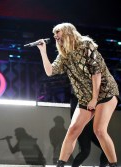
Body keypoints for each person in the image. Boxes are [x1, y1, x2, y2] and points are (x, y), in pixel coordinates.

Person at [36, 23, 119, 167]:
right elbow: (50, 71)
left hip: (105, 92)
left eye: (58, 32)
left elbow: (96, 72)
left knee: (99, 130)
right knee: (73, 130)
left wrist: (94, 98)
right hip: (85, 96)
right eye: (54, 33)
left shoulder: (86, 45)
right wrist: (43, 51)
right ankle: (60, 165)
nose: (55, 36)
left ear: (68, 32)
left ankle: (113, 165)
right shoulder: (64, 54)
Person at [70, 92, 108, 167]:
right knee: (85, 152)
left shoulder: (94, 97)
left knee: (107, 149)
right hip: (83, 129)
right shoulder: (76, 97)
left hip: (94, 128)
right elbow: (75, 116)